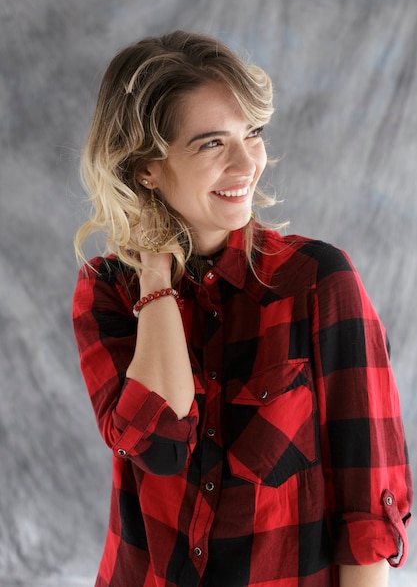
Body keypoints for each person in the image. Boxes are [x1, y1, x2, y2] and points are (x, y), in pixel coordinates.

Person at [72, 30, 412, 587]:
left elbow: (368, 498)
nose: (247, 162)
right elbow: (157, 446)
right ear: (144, 170)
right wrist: (156, 278)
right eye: (211, 143)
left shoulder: (319, 281)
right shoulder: (107, 290)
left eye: (251, 133)